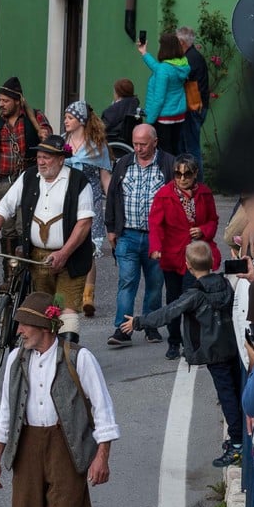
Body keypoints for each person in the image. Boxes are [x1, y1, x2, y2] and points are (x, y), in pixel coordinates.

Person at [0, 292, 119, 507]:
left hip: (67, 447)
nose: (18, 331)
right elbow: (6, 412)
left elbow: (103, 411)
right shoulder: (15, 360)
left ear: (44, 326)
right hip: (27, 446)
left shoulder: (78, 358)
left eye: (24, 325)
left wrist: (102, 457)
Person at [121, 241, 240, 465]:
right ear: (212, 262)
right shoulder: (225, 284)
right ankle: (238, 437)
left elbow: (168, 312)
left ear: (187, 265)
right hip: (231, 346)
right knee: (234, 391)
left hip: (212, 352)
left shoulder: (194, 294)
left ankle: (236, 444)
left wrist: (138, 322)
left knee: (226, 397)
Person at [0, 135, 94, 343]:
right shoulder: (29, 177)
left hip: (71, 259)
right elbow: (3, 207)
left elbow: (84, 223)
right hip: (37, 258)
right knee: (44, 309)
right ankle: (44, 356)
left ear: (61, 159)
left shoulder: (79, 181)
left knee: (65, 310)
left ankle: (66, 359)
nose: (41, 162)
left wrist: (63, 253)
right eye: (39, 157)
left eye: (47, 157)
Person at [0, 76, 53, 292]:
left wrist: (42, 132)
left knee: (24, 227)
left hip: (28, 181)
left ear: (18, 101)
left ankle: (27, 273)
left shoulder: (35, 117)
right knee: (7, 231)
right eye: (0, 100)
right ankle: (10, 275)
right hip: (1, 181)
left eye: (6, 100)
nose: (1, 104)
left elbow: (49, 140)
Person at [104, 123, 175, 346]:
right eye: (135, 144)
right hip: (128, 235)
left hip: (158, 238)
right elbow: (113, 196)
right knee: (127, 282)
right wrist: (111, 228)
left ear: (155, 142)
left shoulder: (169, 164)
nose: (138, 148)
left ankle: (150, 325)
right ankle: (122, 330)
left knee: (154, 284)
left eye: (143, 144)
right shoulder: (124, 164)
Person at [145, 154, 219, 359]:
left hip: (195, 256)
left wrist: (203, 230)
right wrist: (156, 248)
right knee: (173, 299)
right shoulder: (164, 194)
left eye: (187, 174)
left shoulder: (204, 193)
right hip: (172, 255)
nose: (182, 178)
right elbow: (156, 224)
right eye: (178, 173)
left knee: (191, 299)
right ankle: (174, 341)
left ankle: (192, 343)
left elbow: (213, 219)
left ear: (195, 174)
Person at [62, 100, 112, 318]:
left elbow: (105, 178)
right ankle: (63, 295)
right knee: (64, 244)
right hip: (66, 201)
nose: (65, 121)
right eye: (65, 117)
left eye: (70, 118)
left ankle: (88, 296)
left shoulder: (97, 146)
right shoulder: (62, 143)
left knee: (89, 249)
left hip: (91, 203)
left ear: (81, 121)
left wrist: (115, 204)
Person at [138, 31, 190, 156]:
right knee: (175, 151)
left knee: (165, 155)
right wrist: (144, 53)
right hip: (178, 115)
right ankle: (178, 175)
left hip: (163, 118)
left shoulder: (164, 69)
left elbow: (159, 99)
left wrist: (149, 121)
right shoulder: (182, 64)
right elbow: (158, 68)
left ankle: (169, 176)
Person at [177, 26, 211, 177]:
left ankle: (198, 183)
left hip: (192, 108)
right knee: (189, 147)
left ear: (181, 42)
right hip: (197, 107)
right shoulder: (195, 56)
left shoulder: (189, 59)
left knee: (191, 149)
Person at [100, 78, 140, 144]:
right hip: (127, 140)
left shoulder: (114, 109)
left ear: (117, 93)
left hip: (112, 139)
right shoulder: (134, 104)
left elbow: (102, 127)